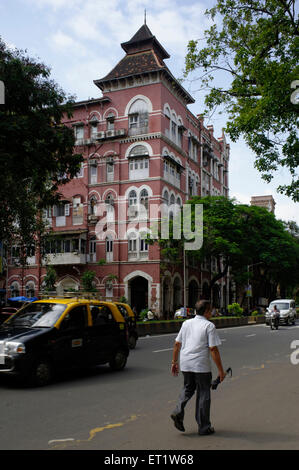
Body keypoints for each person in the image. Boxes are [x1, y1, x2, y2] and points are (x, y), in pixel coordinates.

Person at [170, 299, 225, 436]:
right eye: (211, 309)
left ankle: (178, 410)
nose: (212, 312)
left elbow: (177, 344)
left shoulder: (186, 323)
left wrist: (174, 362)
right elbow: (213, 349)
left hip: (186, 363)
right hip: (201, 366)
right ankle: (204, 427)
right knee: (204, 393)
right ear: (206, 311)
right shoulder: (209, 326)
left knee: (188, 388)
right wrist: (221, 370)